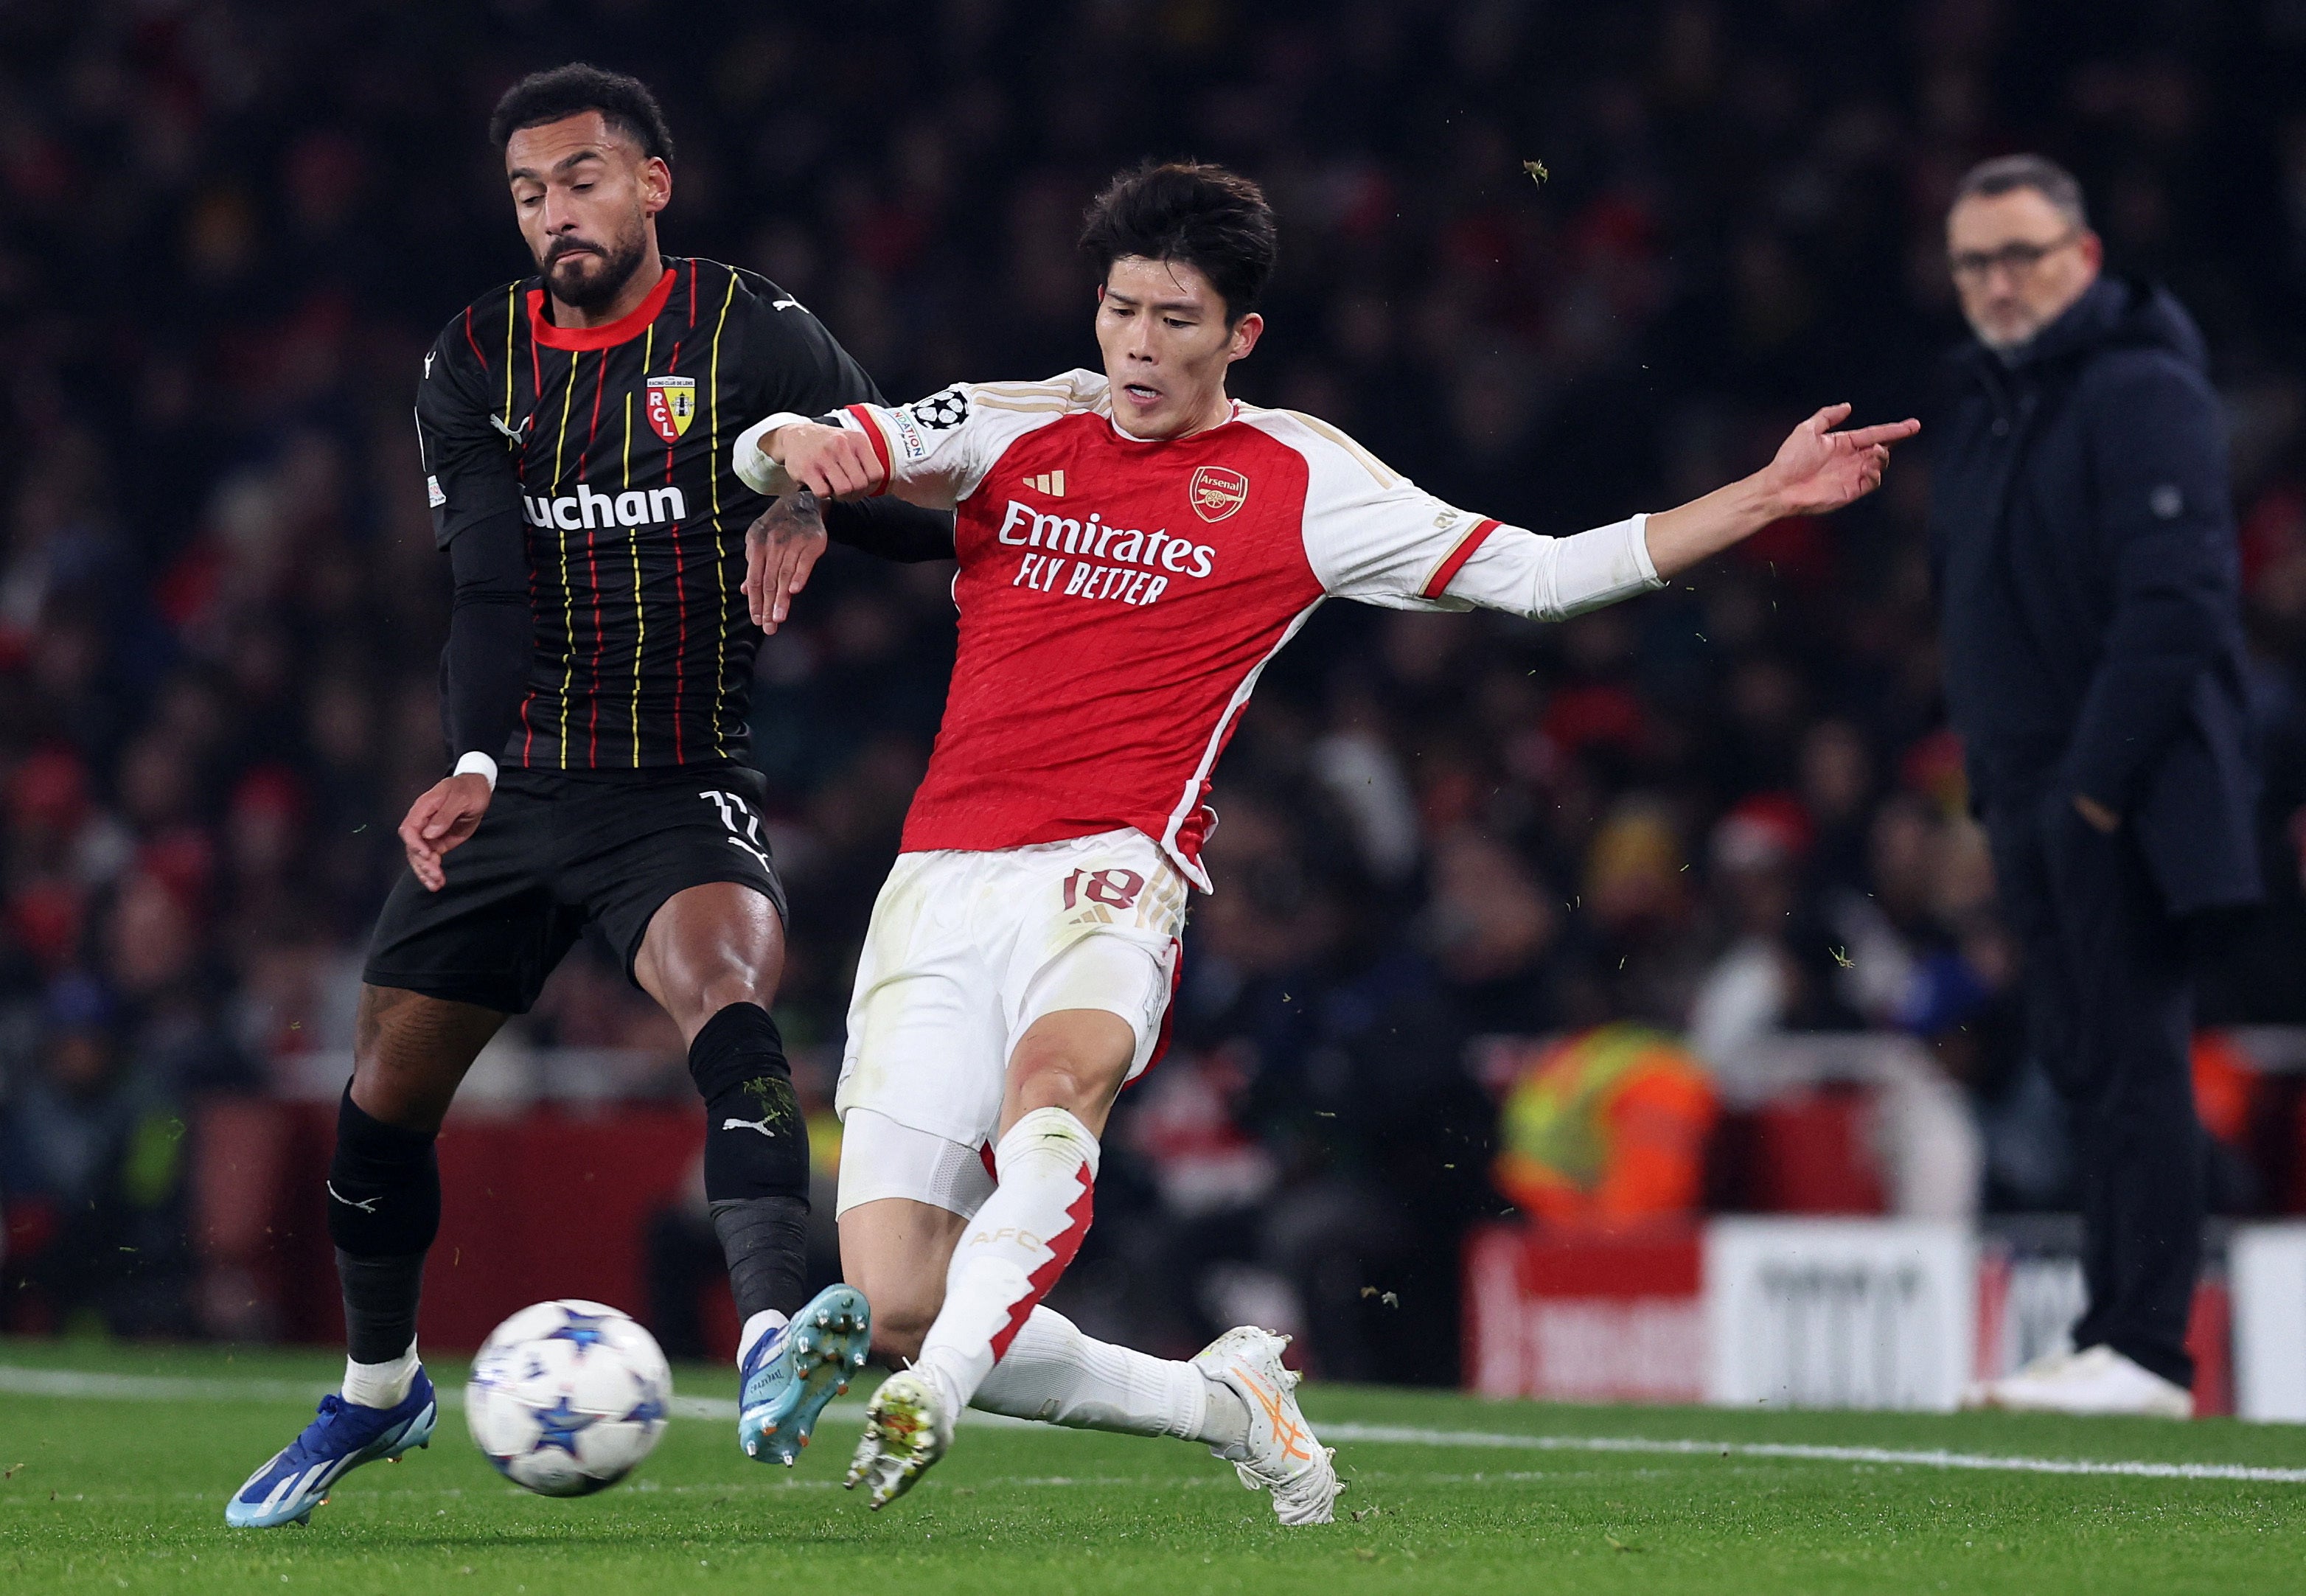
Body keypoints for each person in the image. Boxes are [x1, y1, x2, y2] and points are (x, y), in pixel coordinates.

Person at [736, 160, 1917, 1518]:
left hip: (1112, 873)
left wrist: (1760, 499)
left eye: (1175, 320)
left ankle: (933, 1397)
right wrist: (794, 457)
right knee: (891, 1298)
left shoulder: (1301, 478)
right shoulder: (1014, 426)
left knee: (1053, 1096)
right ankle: (1215, 1400)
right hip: (938, 881)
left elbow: (1534, 576)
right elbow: (787, 441)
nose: (1134, 345)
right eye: (1120, 309)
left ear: (1241, 334)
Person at [225, 64, 956, 1529]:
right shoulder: (476, 362)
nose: (553, 213)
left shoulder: (752, 333)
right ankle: (378, 1395)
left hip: (679, 783)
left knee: (725, 996)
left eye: (579, 181)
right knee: (382, 1098)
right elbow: (489, 587)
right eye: (527, 192)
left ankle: (767, 1335)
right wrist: (476, 763)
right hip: (525, 781)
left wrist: (812, 483)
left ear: (649, 186)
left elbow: (917, 517)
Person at [1931, 156, 2259, 1417]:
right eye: (1975, 262)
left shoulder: (2138, 388)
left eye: (2021, 255)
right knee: (2084, 1061)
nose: (1999, 284)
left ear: (2084, 254)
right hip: (2032, 794)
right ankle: (2115, 1330)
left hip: (2116, 794)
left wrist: (2090, 794)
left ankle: (2150, 1349)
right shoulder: (1997, 400)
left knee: (2132, 1059)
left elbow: (2177, 604)